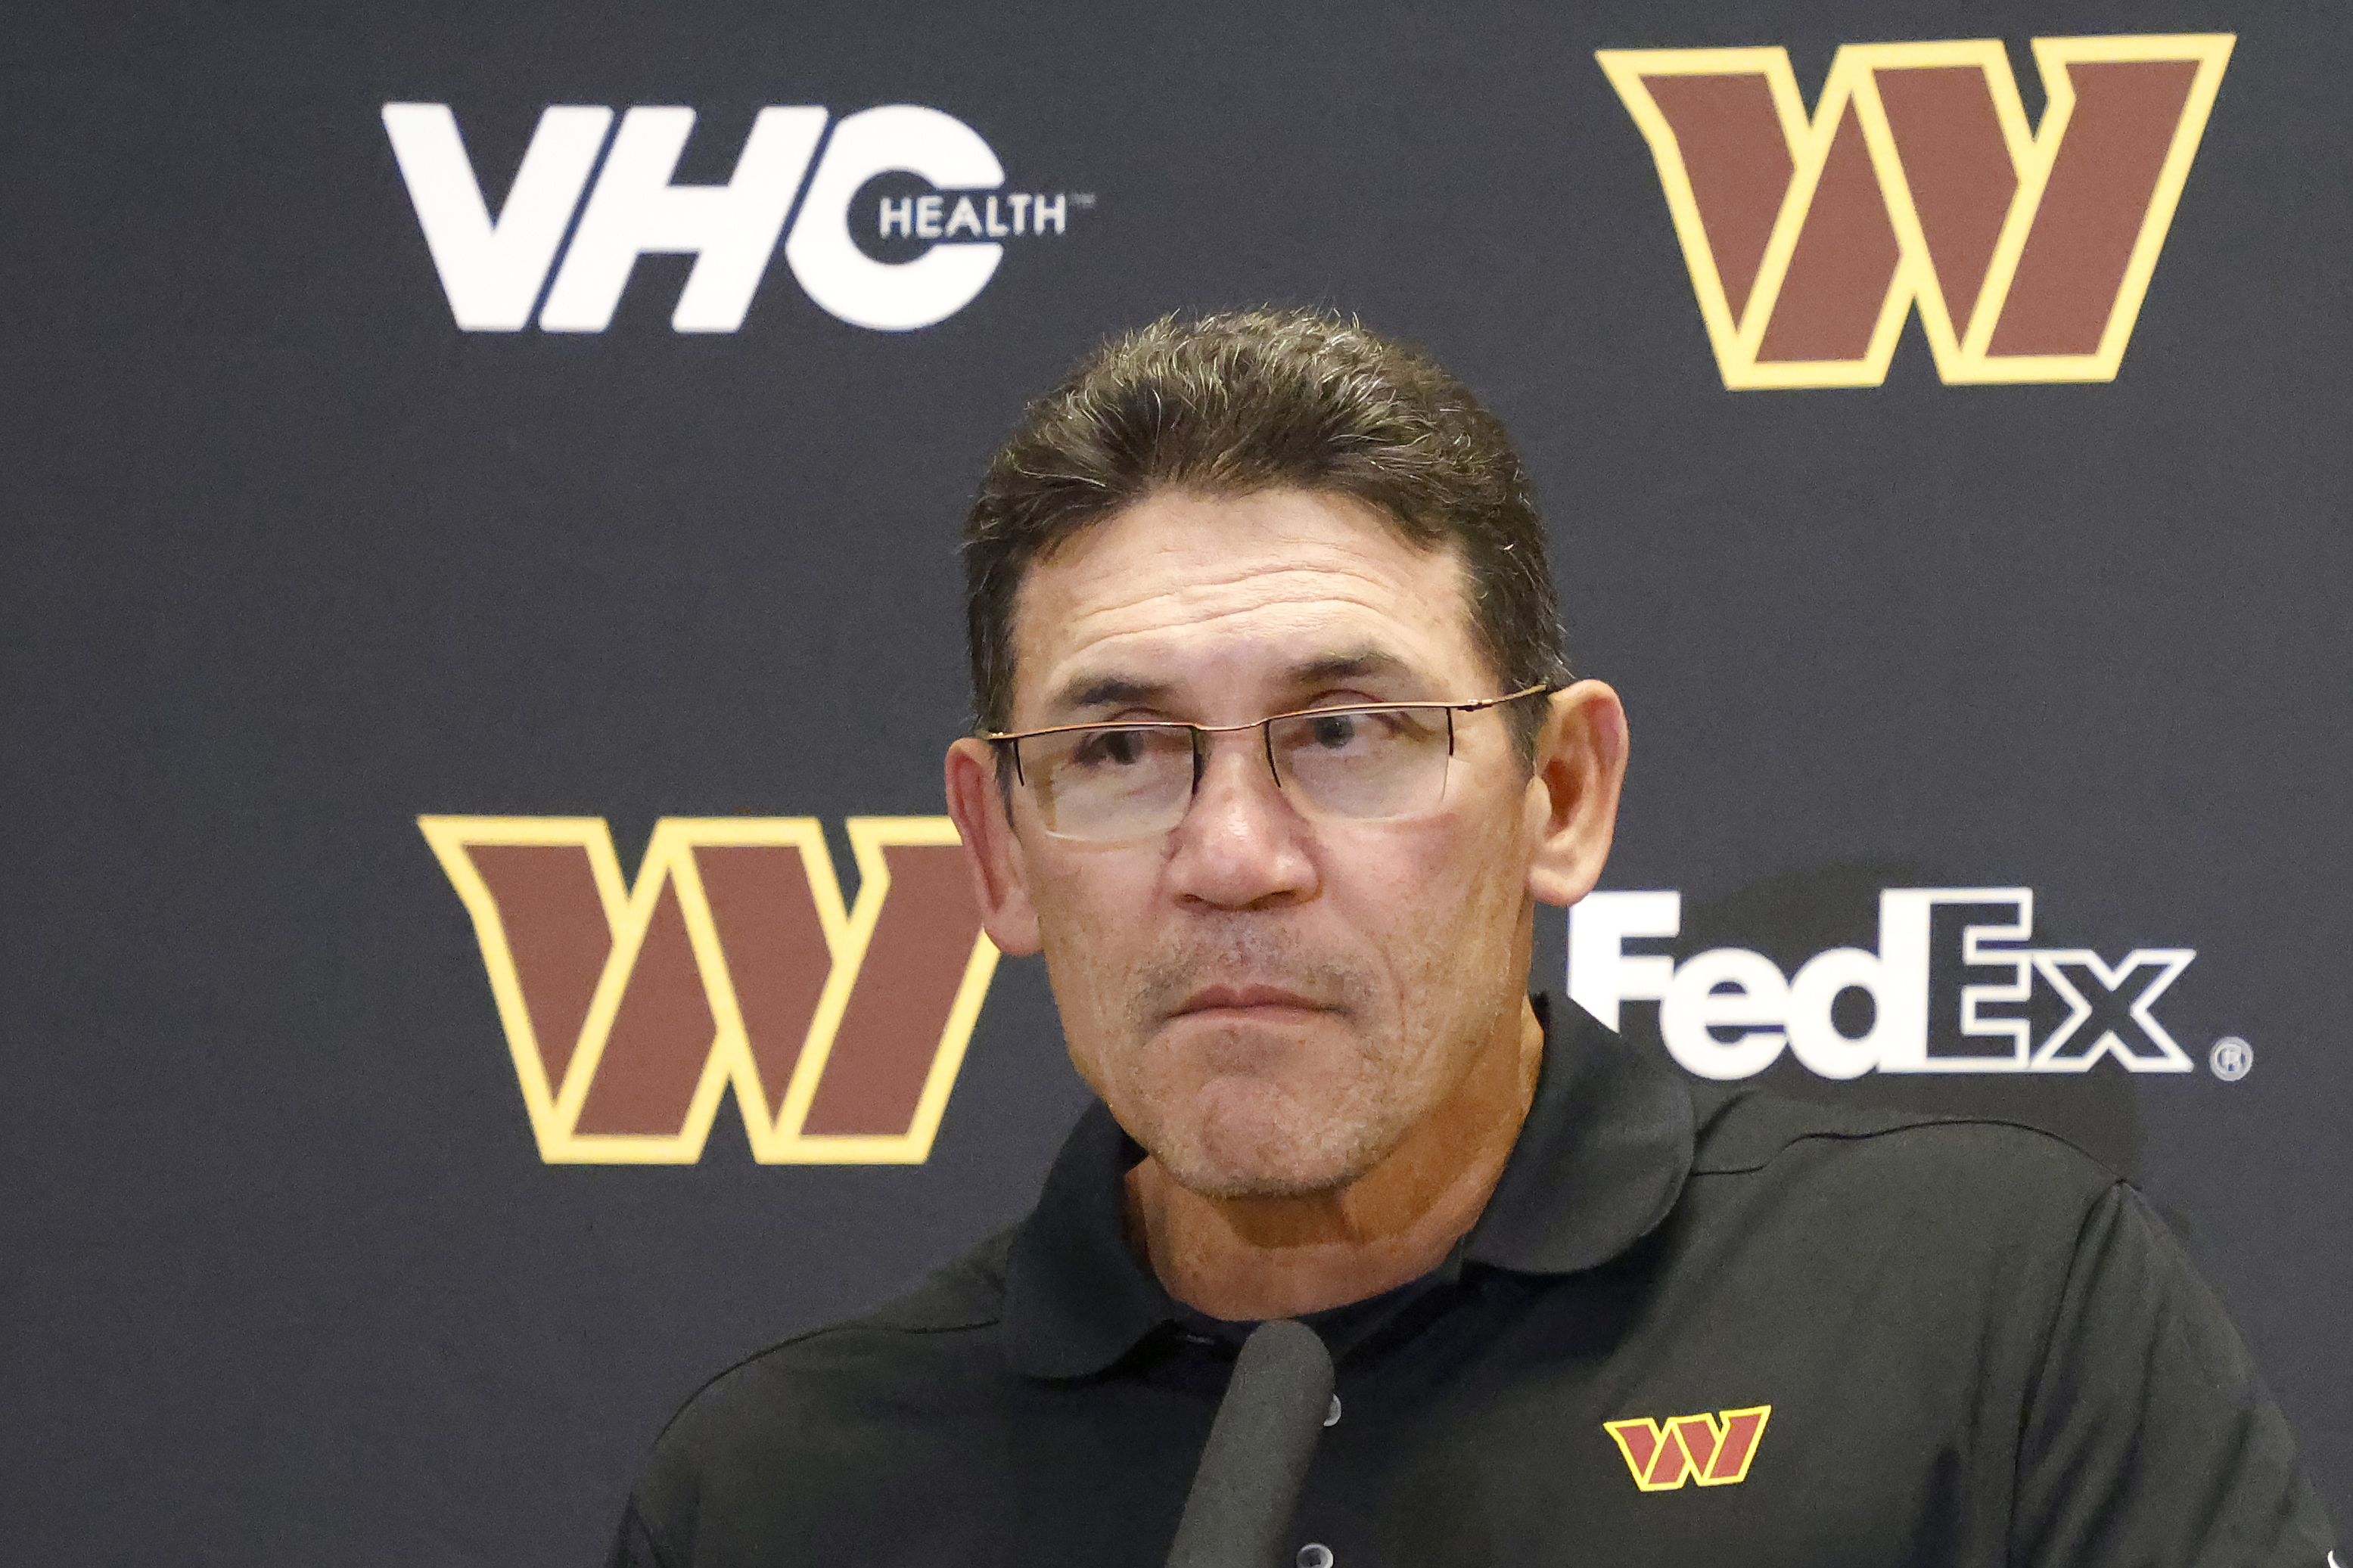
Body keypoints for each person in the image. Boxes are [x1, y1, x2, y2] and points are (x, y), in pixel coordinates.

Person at [606, 310, 2333, 1568]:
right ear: (998, 851)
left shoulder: (1997, 1310)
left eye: (1347, 730)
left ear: (1561, 790)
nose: (1230, 854)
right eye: (1120, 750)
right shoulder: (775, 1492)